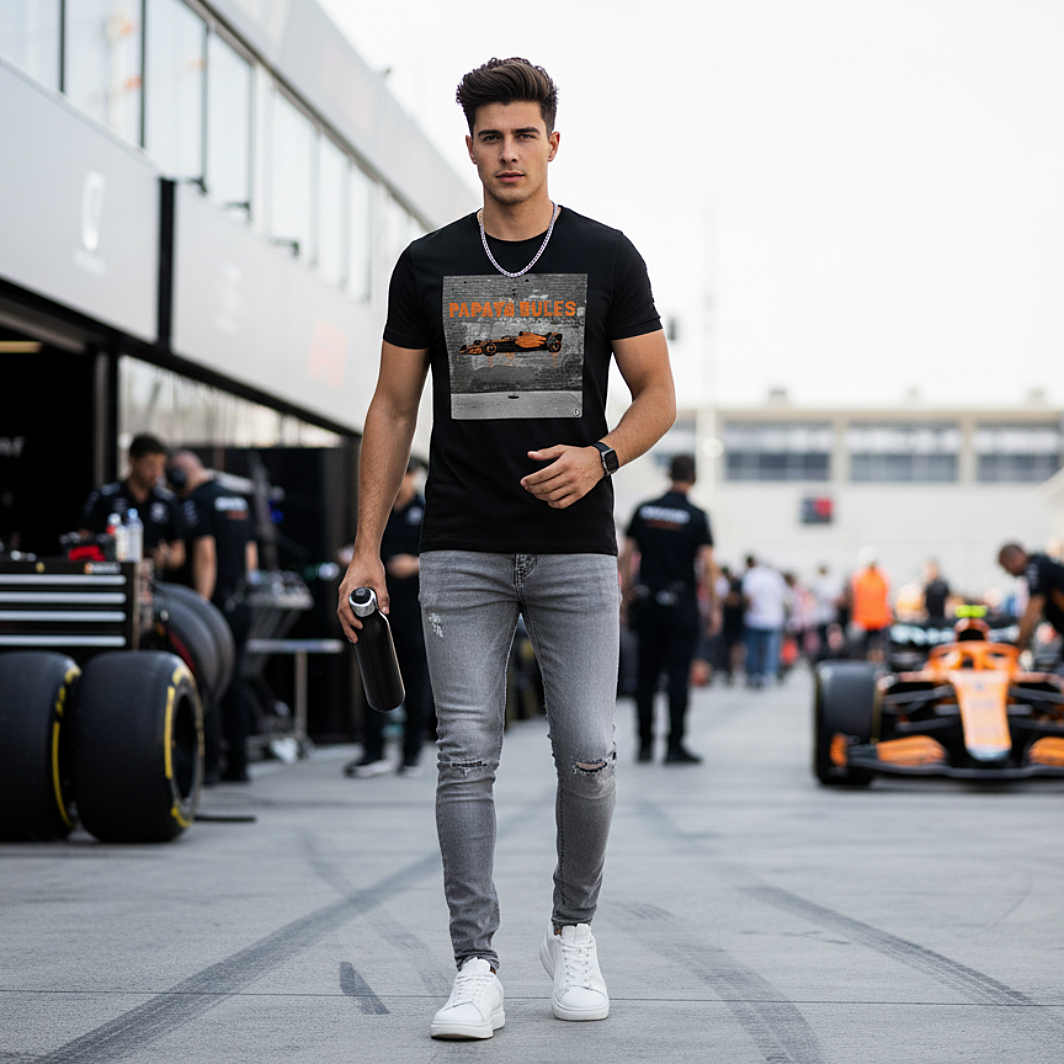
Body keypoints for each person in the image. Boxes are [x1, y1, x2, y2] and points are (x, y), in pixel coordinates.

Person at [336, 57, 675, 1040]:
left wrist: (601, 454)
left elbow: (656, 393)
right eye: (490, 136)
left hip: (573, 550)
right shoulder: (428, 263)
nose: (508, 151)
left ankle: (571, 928)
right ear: (472, 145)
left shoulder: (607, 257)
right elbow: (393, 405)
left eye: (524, 134)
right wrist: (365, 549)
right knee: (464, 755)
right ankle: (473, 961)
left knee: (587, 752)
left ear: (551, 142)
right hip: (459, 546)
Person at [620, 454, 717, 764]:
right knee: (678, 676)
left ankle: (645, 745)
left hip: (647, 603)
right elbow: (708, 565)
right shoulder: (696, 515)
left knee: (645, 676)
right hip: (681, 604)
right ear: (694, 478)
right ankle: (675, 746)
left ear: (667, 474)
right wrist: (713, 607)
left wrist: (624, 595)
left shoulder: (644, 510)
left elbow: (626, 555)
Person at [168, 450, 258, 783]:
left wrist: (200, 609)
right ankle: (238, 765)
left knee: (208, 683)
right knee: (234, 681)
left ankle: (208, 768)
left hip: (214, 609)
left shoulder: (195, 502)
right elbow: (251, 560)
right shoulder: (235, 500)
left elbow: (205, 555)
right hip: (240, 604)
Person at [345, 458, 434, 779]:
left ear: (411, 476)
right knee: (375, 678)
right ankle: (372, 752)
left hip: (413, 609)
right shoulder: (377, 514)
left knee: (415, 682)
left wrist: (415, 564)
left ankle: (411, 754)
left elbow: (445, 558)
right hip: (377, 610)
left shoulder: (427, 511)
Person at [78, 433, 185, 573]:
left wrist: (166, 557)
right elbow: (82, 539)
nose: (156, 473)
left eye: (161, 466)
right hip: (111, 575)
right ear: (133, 461)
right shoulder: (105, 497)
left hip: (154, 581)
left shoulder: (167, 501)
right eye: (151, 466)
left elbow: (179, 552)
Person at [997, 542, 1064, 652]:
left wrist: (1018, 642)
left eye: (1006, 566)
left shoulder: (1034, 568)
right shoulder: (1041, 563)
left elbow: (1033, 607)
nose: (1008, 572)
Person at [741, 555, 790, 687]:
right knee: (771, 649)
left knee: (753, 648)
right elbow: (785, 599)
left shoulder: (753, 575)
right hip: (773, 619)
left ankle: (754, 673)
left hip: (755, 618)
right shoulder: (776, 577)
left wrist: (753, 609)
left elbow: (748, 595)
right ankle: (769, 674)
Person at [847, 547, 892, 661]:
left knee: (879, 647)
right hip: (865, 619)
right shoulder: (860, 577)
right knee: (864, 647)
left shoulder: (880, 576)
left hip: (879, 619)